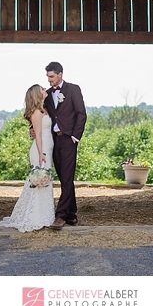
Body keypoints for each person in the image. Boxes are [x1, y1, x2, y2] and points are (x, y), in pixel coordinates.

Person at [0, 84, 56, 232]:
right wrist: (41, 153)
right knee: (39, 181)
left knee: (45, 182)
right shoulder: (36, 112)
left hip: (48, 148)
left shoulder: (44, 109)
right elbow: (38, 134)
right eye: (42, 89)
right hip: (41, 151)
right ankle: (35, 217)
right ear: (37, 94)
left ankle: (45, 215)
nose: (45, 90)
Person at [42, 61, 87, 230]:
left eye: (51, 76)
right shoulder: (47, 93)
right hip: (53, 141)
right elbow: (42, 114)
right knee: (64, 177)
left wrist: (75, 137)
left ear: (60, 74)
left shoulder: (73, 89)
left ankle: (60, 216)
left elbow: (81, 114)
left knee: (67, 177)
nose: (49, 80)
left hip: (69, 139)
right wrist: (33, 128)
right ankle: (72, 214)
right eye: (47, 77)